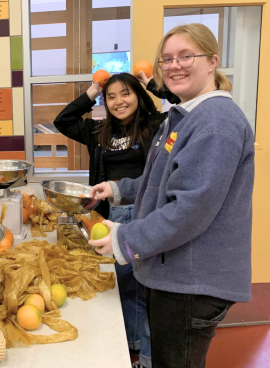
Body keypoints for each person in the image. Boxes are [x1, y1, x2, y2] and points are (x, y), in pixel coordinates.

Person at [90, 23, 254, 368]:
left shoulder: (215, 122)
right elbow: (164, 181)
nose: (175, 65)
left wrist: (125, 240)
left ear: (212, 61)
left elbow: (189, 209)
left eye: (186, 56)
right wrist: (119, 190)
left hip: (191, 281)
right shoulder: (185, 115)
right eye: (167, 59)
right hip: (175, 272)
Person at [54, 72, 179, 368]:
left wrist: (153, 84)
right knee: (121, 283)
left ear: (138, 94)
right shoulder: (99, 130)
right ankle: (132, 342)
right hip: (109, 212)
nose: (118, 101)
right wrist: (90, 93)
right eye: (111, 96)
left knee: (142, 286)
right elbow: (63, 121)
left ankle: (144, 356)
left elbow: (182, 107)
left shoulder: (156, 125)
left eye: (125, 94)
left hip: (143, 213)